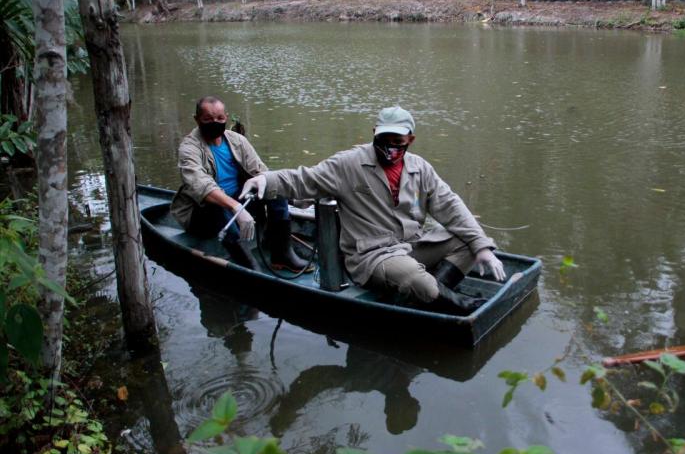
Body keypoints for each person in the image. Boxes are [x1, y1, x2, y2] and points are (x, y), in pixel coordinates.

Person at [239, 106, 506, 313]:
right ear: (374, 133)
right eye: (384, 138)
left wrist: (482, 248)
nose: (390, 146)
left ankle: (428, 293)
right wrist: (265, 180)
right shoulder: (348, 164)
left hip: (412, 246)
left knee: (472, 241)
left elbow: (450, 205)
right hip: (373, 255)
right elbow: (304, 179)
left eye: (397, 139)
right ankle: (449, 301)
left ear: (410, 139)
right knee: (419, 281)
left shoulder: (420, 168)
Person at [170, 96, 308, 272]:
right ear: (197, 120)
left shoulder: (237, 141)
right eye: (208, 119)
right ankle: (250, 268)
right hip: (204, 214)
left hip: (239, 202)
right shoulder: (189, 148)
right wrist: (236, 208)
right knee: (217, 208)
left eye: (220, 118)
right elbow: (201, 186)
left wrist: (294, 199)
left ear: (226, 117)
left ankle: (282, 255)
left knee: (274, 187)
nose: (215, 122)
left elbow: (261, 173)